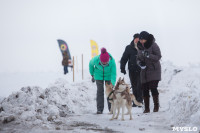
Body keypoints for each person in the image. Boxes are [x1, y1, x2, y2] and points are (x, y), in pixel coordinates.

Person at [137, 31, 162, 113]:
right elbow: (138, 59)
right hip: (144, 71)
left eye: (142, 39)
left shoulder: (153, 45)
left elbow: (158, 56)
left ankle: (156, 106)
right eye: (140, 39)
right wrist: (140, 63)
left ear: (146, 39)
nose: (141, 41)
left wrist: (149, 55)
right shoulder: (139, 46)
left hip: (154, 70)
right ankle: (146, 108)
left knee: (153, 87)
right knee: (144, 89)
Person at [89, 48, 117, 114]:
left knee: (109, 92)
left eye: (106, 62)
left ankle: (111, 109)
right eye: (103, 62)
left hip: (108, 76)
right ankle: (99, 109)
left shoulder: (112, 61)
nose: (104, 63)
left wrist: (112, 83)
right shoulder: (96, 59)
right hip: (98, 75)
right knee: (100, 91)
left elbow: (113, 73)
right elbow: (90, 64)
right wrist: (92, 74)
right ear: (100, 60)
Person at [120, 33, 143, 107]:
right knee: (134, 85)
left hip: (140, 69)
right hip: (132, 69)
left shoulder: (142, 47)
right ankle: (135, 101)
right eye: (136, 38)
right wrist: (122, 68)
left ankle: (140, 101)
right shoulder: (129, 47)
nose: (137, 40)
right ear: (134, 39)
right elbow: (124, 58)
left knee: (140, 85)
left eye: (138, 38)